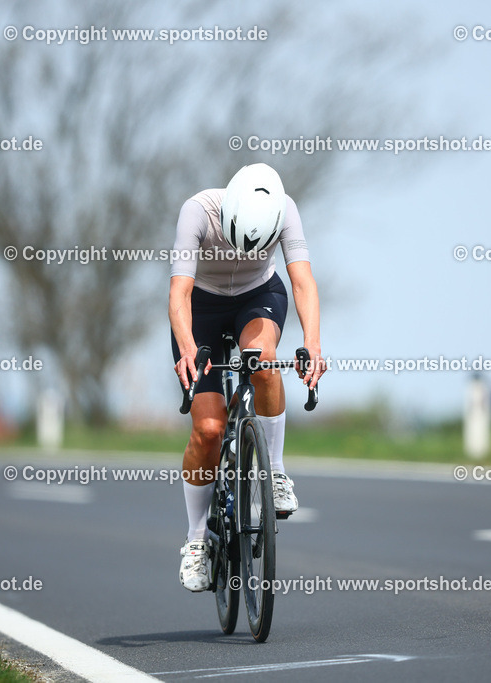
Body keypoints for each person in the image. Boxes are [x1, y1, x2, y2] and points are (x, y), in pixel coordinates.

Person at [169, 163, 325, 591]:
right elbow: (179, 293)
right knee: (208, 428)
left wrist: (312, 344)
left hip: (258, 295)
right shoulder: (198, 212)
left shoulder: (286, 209)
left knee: (262, 359)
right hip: (201, 306)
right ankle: (197, 541)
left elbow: (303, 282)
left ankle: (273, 472)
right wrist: (186, 349)